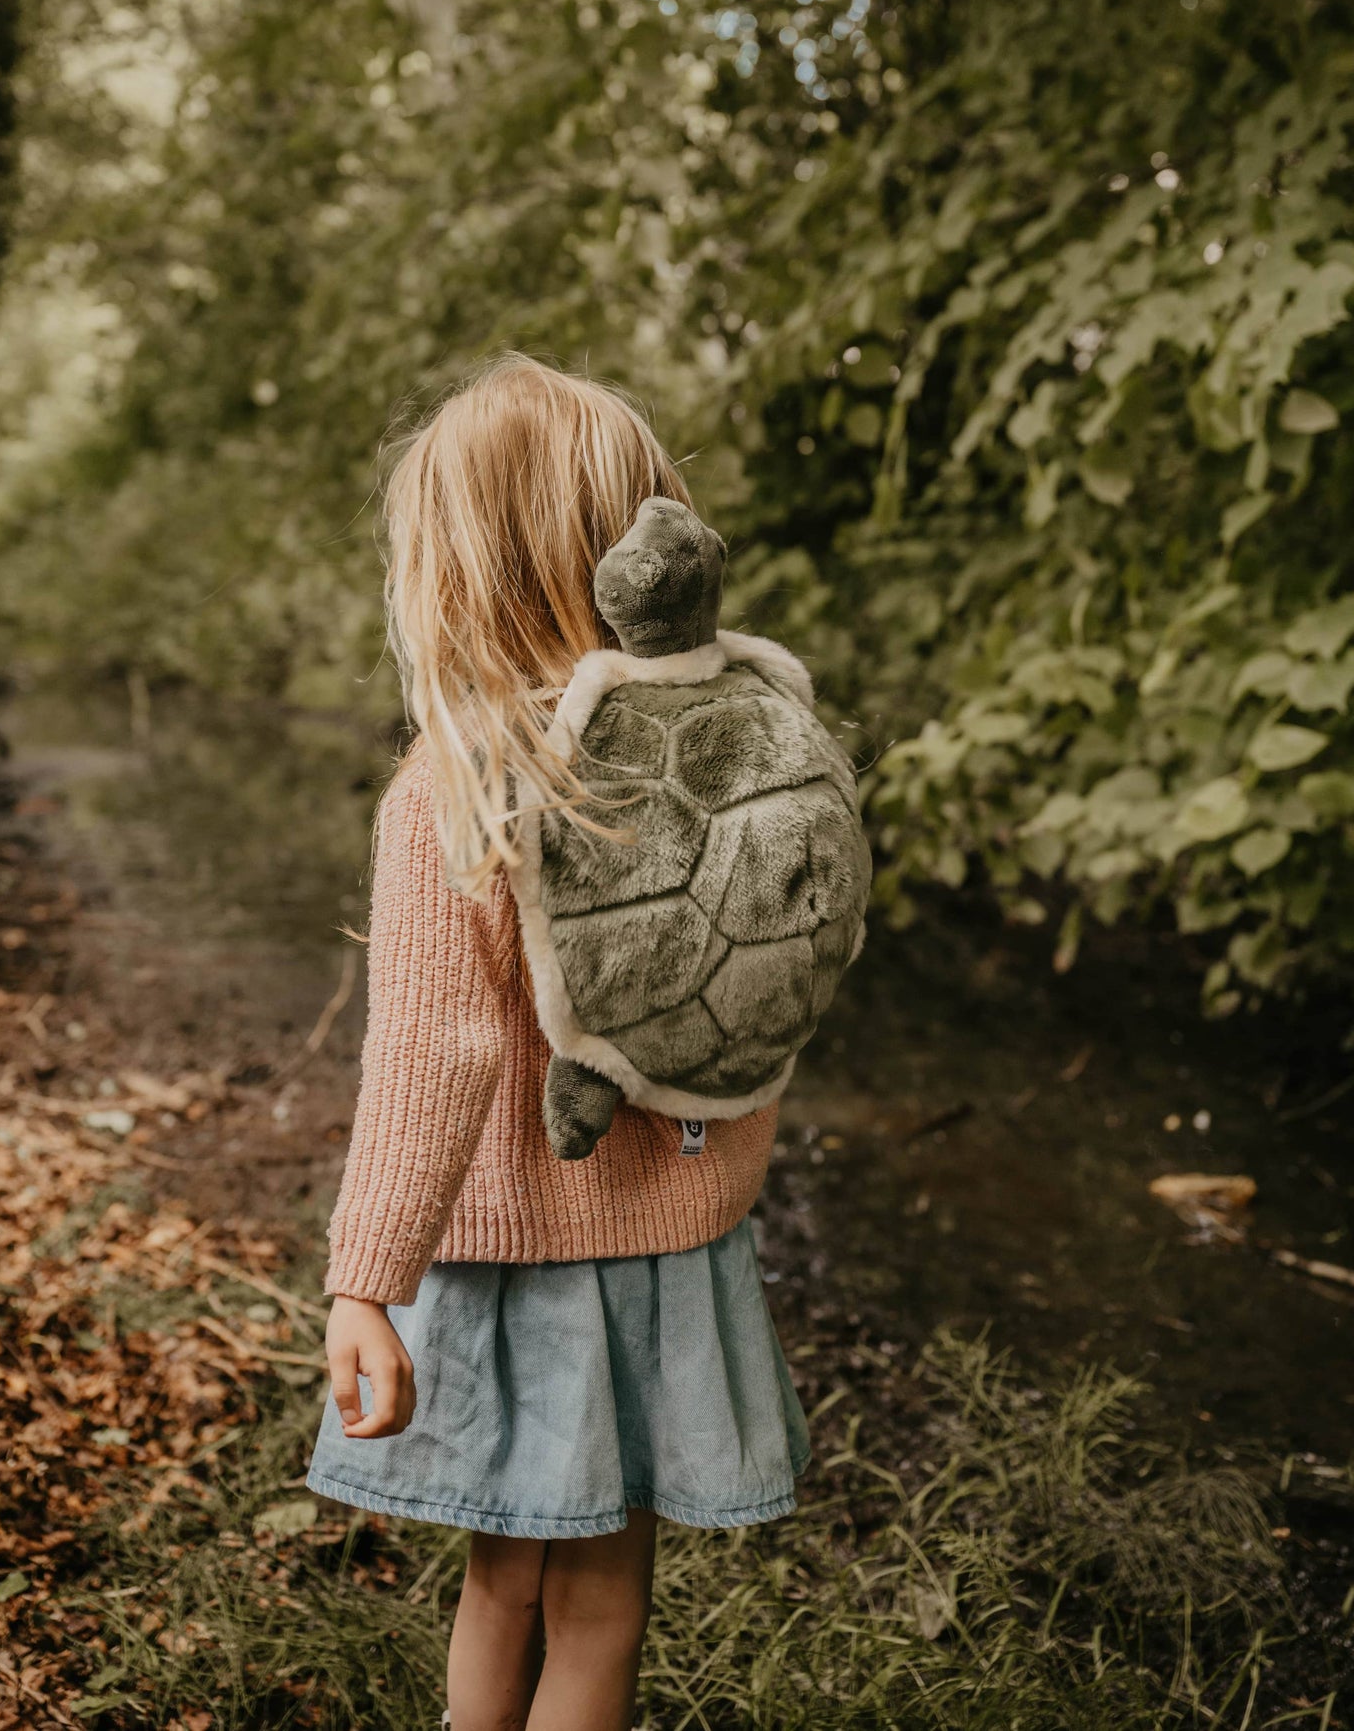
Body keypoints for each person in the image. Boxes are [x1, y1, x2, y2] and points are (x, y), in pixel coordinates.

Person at [306, 354, 809, 1731]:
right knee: (601, 1604)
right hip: (670, 1251)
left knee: (503, 1588)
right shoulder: (732, 752)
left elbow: (440, 1051)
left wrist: (366, 1280)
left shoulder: (459, 787)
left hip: (516, 1264)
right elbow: (776, 980)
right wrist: (712, 1177)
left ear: (457, 568)